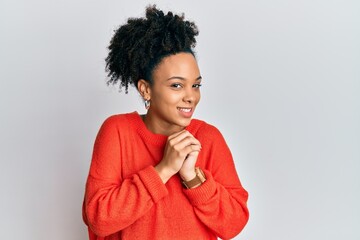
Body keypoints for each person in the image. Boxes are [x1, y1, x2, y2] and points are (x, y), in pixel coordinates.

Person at [82, 5, 249, 240]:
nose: (191, 96)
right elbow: (98, 218)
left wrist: (192, 177)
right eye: (176, 85)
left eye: (196, 84)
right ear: (146, 89)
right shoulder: (117, 131)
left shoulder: (208, 138)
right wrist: (164, 169)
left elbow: (233, 224)